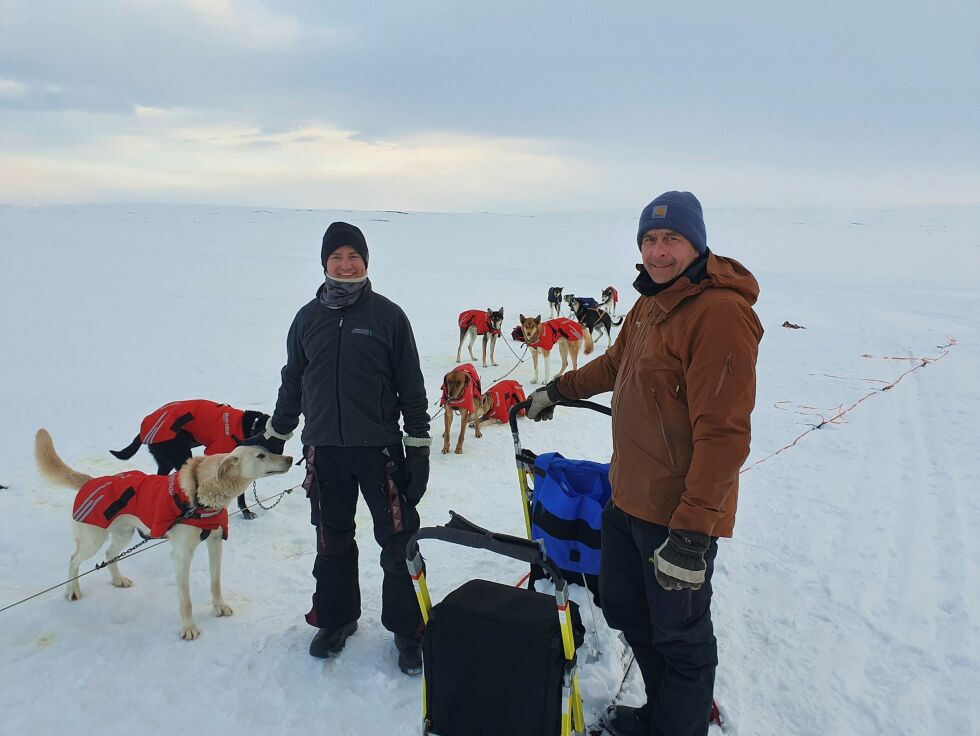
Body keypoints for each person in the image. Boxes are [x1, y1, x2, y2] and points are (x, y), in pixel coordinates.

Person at [526, 191, 763, 736]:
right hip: (628, 494)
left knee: (681, 639)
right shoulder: (652, 303)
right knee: (629, 612)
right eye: (650, 240)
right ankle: (663, 714)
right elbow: (615, 363)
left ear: (696, 244)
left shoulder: (719, 314)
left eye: (671, 239)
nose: (658, 251)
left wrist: (693, 532)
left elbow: (724, 434)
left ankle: (678, 725)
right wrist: (557, 390)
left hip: (678, 514)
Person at [242, 222, 431, 675]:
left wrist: (419, 448)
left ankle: (409, 631)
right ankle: (335, 619)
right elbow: (294, 382)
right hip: (325, 451)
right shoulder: (307, 319)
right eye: (336, 257)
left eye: (354, 256)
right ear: (325, 263)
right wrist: (275, 436)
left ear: (366, 261)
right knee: (332, 540)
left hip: (380, 451)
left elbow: (412, 385)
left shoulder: (388, 317)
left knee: (398, 541)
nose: (346, 265)